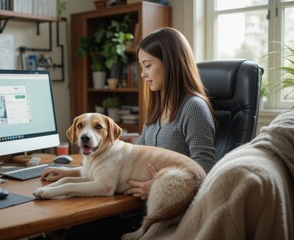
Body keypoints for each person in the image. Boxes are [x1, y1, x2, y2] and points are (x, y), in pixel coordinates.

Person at [40, 27, 216, 239]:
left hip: (170, 208)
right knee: (66, 228)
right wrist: (72, 172)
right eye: (141, 67)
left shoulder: (193, 108)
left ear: (170, 64)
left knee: (77, 234)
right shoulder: (157, 109)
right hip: (134, 204)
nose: (142, 74)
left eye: (147, 65)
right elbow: (126, 161)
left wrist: (156, 187)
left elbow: (206, 172)